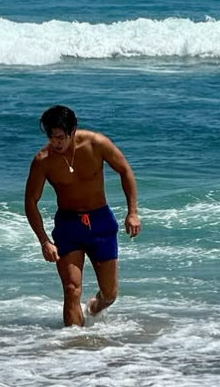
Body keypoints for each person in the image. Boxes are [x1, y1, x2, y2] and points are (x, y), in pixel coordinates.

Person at [24, 105, 141, 327]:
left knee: (109, 294)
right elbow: (30, 202)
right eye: (51, 137)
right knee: (71, 289)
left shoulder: (96, 144)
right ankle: (73, 344)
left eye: (60, 137)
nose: (56, 143)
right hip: (69, 225)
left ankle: (95, 307)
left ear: (73, 130)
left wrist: (132, 212)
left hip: (100, 222)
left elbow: (125, 170)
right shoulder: (43, 160)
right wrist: (44, 241)